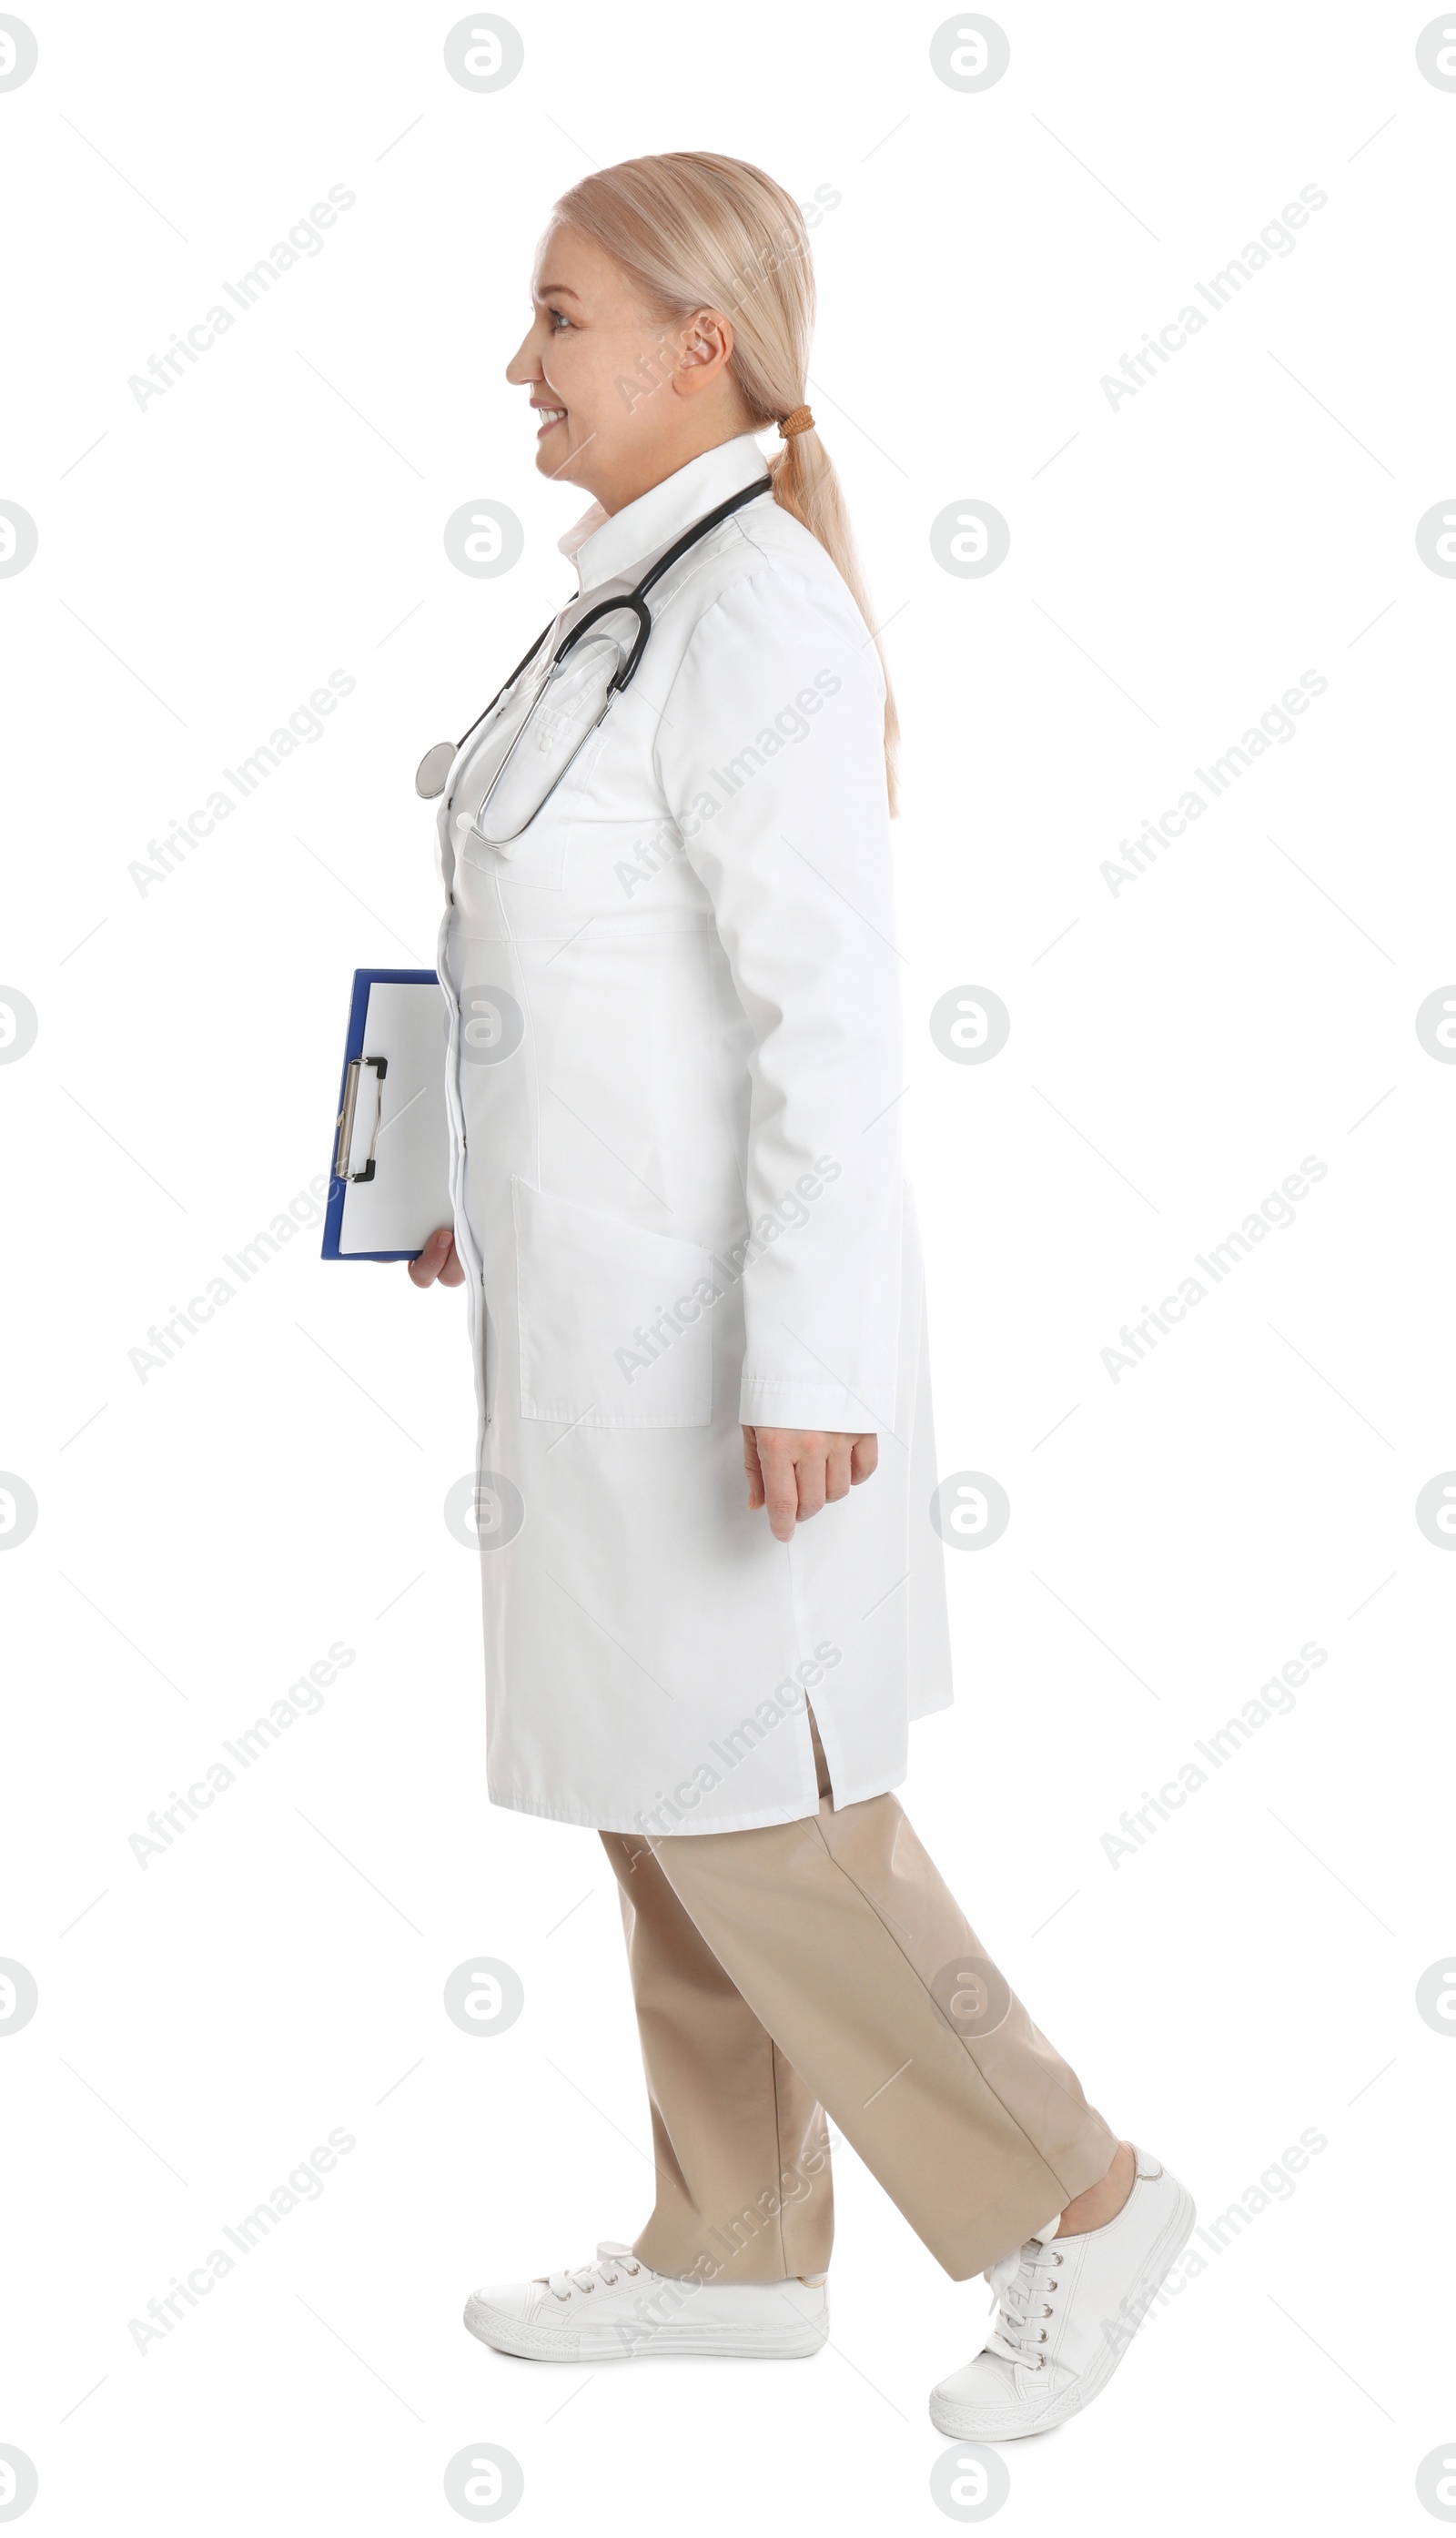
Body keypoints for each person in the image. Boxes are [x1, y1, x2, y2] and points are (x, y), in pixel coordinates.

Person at [408, 150, 1193, 2441]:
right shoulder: (621, 606)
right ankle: (727, 2248)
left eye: (557, 318)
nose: (518, 364)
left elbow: (826, 1034)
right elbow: (584, 960)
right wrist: (459, 1162)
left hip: (724, 1345)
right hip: (593, 1319)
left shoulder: (752, 616)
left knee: (764, 1812)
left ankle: (1076, 2197)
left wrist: (815, 1357)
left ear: (699, 350)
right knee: (660, 1789)